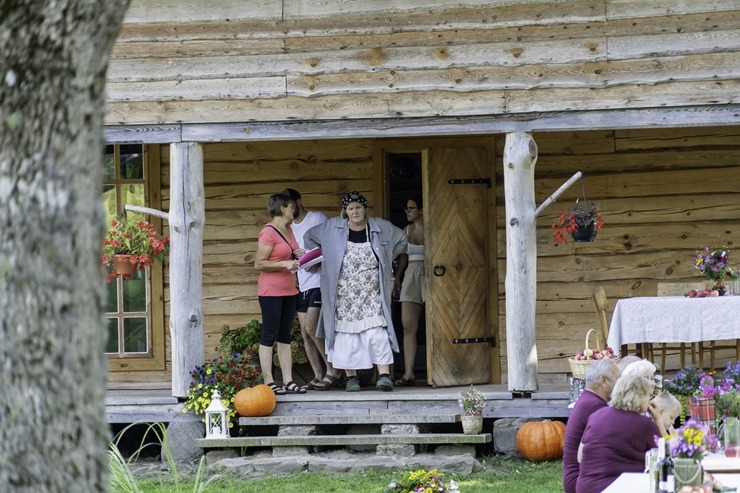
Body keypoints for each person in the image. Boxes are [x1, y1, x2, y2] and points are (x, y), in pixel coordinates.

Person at [304, 191, 407, 392]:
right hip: (344, 294)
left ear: (365, 209)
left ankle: (384, 375)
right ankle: (351, 378)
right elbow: (309, 238)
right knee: (346, 336)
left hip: (372, 293)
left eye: (358, 207)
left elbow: (402, 239)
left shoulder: (379, 227)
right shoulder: (333, 227)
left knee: (376, 333)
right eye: (350, 208)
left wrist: (388, 257)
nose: (355, 212)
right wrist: (323, 257)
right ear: (345, 211)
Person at [279, 188, 342, 390]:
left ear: (298, 201)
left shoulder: (317, 219)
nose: (287, 209)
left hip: (318, 282)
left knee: (312, 327)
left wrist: (311, 256)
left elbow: (331, 245)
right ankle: (318, 375)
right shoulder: (288, 228)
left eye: (289, 205)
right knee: (306, 334)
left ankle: (334, 371)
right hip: (300, 284)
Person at [253, 193, 306, 395]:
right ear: (283, 208)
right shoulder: (268, 232)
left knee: (285, 336)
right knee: (269, 335)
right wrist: (284, 263)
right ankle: (269, 381)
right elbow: (259, 263)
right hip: (271, 292)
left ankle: (289, 381)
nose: (295, 210)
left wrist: (298, 254)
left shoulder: (288, 229)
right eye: (292, 207)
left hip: (289, 290)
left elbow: (288, 253)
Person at [576, 374, 661, 493]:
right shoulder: (645, 424)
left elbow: (580, 457)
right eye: (648, 395)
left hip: (586, 487)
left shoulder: (596, 415)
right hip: (621, 487)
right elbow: (665, 456)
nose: (649, 400)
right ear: (640, 397)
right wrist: (658, 419)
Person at [562, 359, 621, 493]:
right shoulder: (595, 406)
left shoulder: (589, 400)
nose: (621, 384)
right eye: (618, 379)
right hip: (580, 479)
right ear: (603, 381)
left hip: (578, 476)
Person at [393, 195, 425, 386]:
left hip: (433, 272)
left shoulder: (434, 226)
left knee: (437, 324)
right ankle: (409, 372)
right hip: (411, 274)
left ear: (421, 210)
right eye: (406, 208)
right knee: (407, 325)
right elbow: (404, 256)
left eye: (411, 208)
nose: (407, 212)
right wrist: (397, 276)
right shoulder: (406, 230)